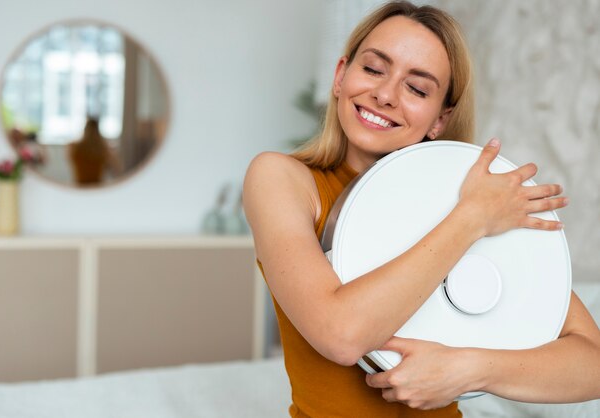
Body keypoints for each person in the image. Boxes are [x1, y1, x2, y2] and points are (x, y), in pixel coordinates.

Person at [243, 1, 600, 417]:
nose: (385, 94)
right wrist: (471, 220)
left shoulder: (473, 196)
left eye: (417, 89)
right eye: (374, 69)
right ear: (341, 76)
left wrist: (468, 369)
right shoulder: (282, 178)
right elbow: (340, 335)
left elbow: (591, 364)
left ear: (439, 119)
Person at [67, 118, 121, 185]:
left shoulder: (74, 147)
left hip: (80, 188)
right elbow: (117, 169)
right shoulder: (103, 149)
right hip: (96, 188)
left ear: (85, 129)